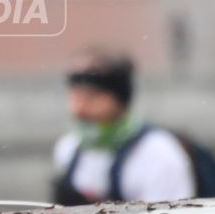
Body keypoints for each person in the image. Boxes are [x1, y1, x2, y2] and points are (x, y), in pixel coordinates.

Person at [51, 53, 197, 205]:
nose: (79, 108)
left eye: (91, 97)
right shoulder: (68, 148)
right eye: (75, 97)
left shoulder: (158, 153)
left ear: (120, 100)